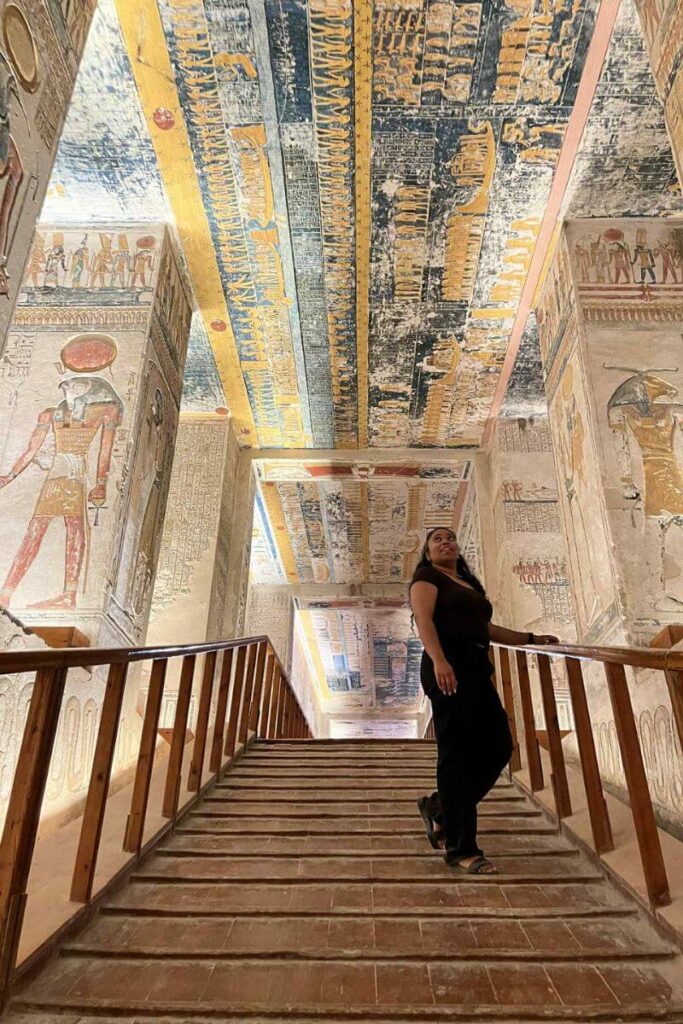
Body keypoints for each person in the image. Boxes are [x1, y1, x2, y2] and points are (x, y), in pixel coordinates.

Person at [409, 527, 557, 875]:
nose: (446, 542)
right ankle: (461, 849)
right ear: (428, 552)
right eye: (437, 539)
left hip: (476, 670)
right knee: (456, 755)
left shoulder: (468, 586)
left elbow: (486, 630)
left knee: (499, 746)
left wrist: (532, 638)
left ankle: (440, 809)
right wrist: (439, 660)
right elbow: (424, 620)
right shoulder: (426, 577)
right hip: (448, 668)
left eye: (450, 538)